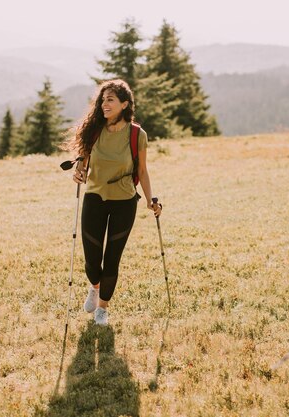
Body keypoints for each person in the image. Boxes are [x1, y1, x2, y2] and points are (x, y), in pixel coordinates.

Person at [63, 79, 162, 326]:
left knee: (112, 259)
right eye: (103, 99)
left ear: (124, 104)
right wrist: (79, 173)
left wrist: (151, 201)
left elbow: (142, 169)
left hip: (124, 202)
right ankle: (94, 287)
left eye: (110, 100)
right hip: (95, 198)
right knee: (92, 260)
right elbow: (82, 164)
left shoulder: (137, 134)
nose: (104, 104)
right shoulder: (94, 130)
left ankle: (102, 310)